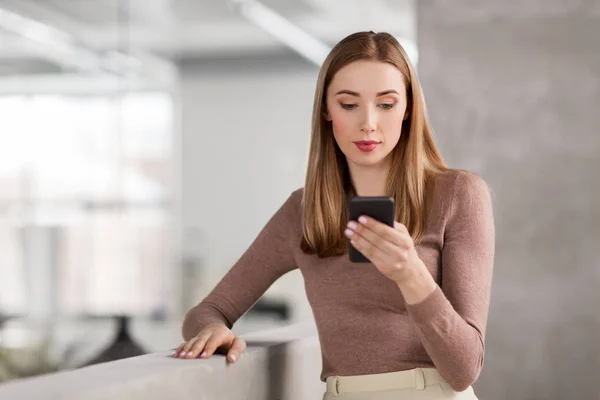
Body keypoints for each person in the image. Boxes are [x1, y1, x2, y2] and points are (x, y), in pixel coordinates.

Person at [174, 31, 494, 400]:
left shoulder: (458, 195)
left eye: (386, 104)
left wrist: (412, 276)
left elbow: (464, 368)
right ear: (326, 109)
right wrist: (213, 329)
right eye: (349, 104)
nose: (369, 123)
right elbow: (207, 311)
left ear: (408, 109)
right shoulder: (302, 211)